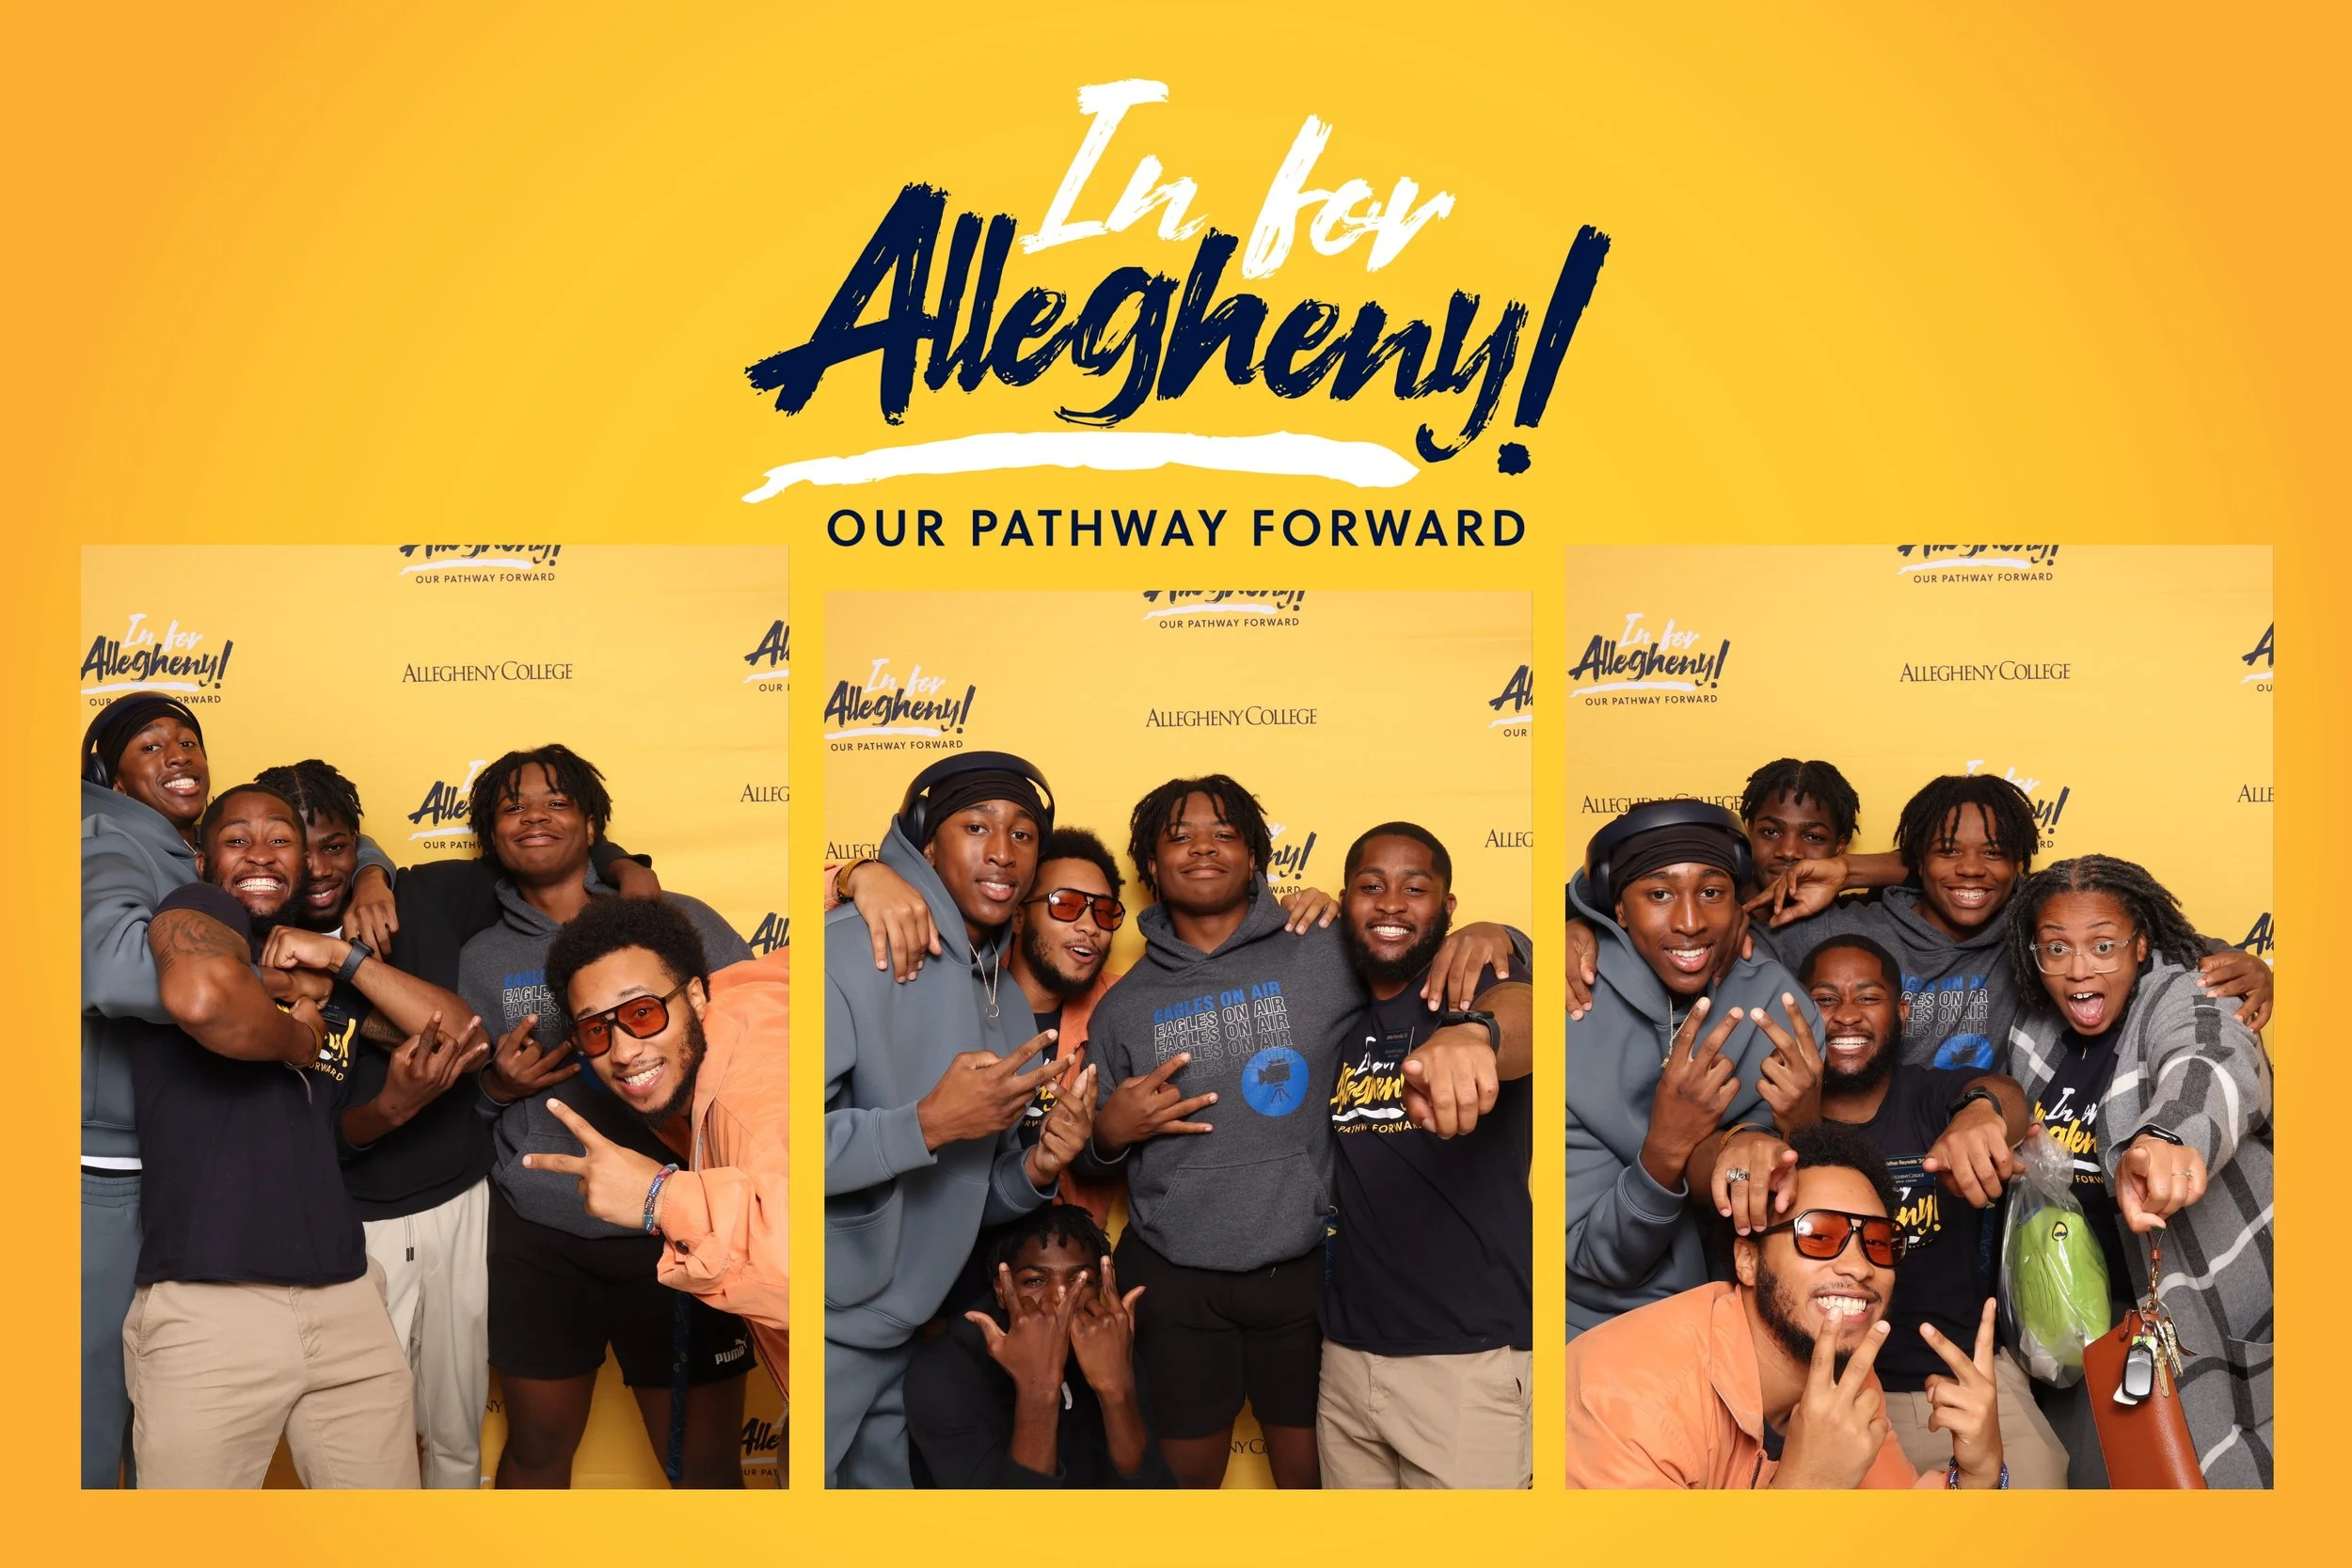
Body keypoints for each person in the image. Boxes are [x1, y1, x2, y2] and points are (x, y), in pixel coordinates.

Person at [1086, 775, 1517, 1489]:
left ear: (1255, 855)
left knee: (1321, 1488)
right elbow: (1094, 1154)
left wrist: (1494, 932)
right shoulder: (1123, 1006)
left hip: (1304, 1275)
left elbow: (1415, 944)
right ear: (1150, 867)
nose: (1203, 848)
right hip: (1175, 1275)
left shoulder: (1320, 945)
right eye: (1180, 836)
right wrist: (1112, 1129)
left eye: (1224, 833)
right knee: (1178, 1489)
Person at [457, 745, 758, 1488]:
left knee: (705, 1468)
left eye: (557, 801)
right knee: (536, 1452)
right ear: (492, 835)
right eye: (512, 805)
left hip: (676, 1218)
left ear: (593, 826)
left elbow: (757, 1034)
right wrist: (497, 1084)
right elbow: (464, 1096)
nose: (534, 815)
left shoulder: (672, 919)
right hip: (542, 1232)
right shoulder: (481, 955)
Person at [126, 785, 425, 1487]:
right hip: (212, 1310)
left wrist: (342, 960)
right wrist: (297, 1035)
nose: (260, 854)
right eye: (236, 840)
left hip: (348, 1301)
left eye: (280, 839)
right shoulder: (198, 910)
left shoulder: (316, 967)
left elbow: (459, 1038)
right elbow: (201, 996)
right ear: (201, 857)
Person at [825, 752, 1095, 1489]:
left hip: (911, 1329)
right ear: (924, 841)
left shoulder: (1003, 1000)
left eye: (1022, 833)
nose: (1003, 851)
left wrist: (1038, 1169)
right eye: (976, 826)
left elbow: (973, 1192)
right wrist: (929, 1123)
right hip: (826, 1324)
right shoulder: (852, 949)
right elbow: (781, 1155)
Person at [1712, 934, 2070, 1485]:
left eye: (1868, 997)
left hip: (1958, 1377)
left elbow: (2004, 1092)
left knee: (2036, 1503)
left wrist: (1983, 1113)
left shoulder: (1931, 1095)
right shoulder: (1773, 1113)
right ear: (1803, 1011)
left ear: (1901, 1011)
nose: (1847, 1016)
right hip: (1824, 1393)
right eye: (1825, 1000)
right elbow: (1719, 1170)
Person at [254, 758, 501, 1487]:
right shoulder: (254, 944)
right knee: (366, 1446)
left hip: (458, 1197)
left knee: (457, 1431)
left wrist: (351, 945)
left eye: (340, 846)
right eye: (306, 850)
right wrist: (393, 1107)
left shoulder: (419, 892)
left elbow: (551, 858)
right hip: (349, 1220)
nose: (323, 867)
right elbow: (298, 1138)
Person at [2005, 855, 2274, 1488]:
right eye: (2056, 948)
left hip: (2199, 1303)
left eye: (2104, 945)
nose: (2078, 968)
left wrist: (2168, 1138)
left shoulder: (2185, 991)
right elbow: (1954, 886)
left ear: (2142, 942)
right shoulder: (2031, 1025)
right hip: (2078, 1325)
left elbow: (2209, 1056)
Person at [1565, 1122, 2009, 1489]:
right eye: (1818, 1234)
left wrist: (1979, 1473)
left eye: (1878, 1242)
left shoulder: (1842, 1369)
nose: (1859, 1266)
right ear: (1748, 1261)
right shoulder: (1628, 1403)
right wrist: (1805, 1490)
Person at [1737, 774, 2276, 1067]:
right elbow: (1738, 957)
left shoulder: (2034, 926)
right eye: (1947, 852)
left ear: (2019, 865)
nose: (1971, 869)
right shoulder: (1843, 929)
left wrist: (2245, 964)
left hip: (1989, 1152)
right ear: (1917, 862)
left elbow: (2135, 929)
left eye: (1994, 854)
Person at [1319, 823, 1534, 1488]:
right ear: (1345, 902)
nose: (1391, 903)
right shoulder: (1332, 1013)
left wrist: (1477, 1035)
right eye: (1370, 886)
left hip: (1466, 1365)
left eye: (1416, 888)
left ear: (1448, 909)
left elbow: (1527, 1011)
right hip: (1345, 1363)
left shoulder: (1474, 988)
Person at [1565, 800, 1823, 1339]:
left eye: (1712, 892)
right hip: (1602, 1342)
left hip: (1745, 1343)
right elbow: (1597, 1261)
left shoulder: (1780, 1004)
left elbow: (1804, 1212)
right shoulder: (1572, 1010)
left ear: (1737, 904)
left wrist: (1794, 1127)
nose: (1689, 921)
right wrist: (1666, 1146)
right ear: (1618, 909)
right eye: (1659, 894)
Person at [527, 896, 789, 1402]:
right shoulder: (737, 1001)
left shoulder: (751, 1103)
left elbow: (815, 1275)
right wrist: (850, 875)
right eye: (597, 1030)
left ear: (694, 997)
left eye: (642, 1013)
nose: (623, 1052)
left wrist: (658, 1198)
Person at [904, 1203, 1174, 1488]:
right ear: (1001, 1290)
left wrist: (1117, 1390)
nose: (1060, 1299)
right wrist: (1039, 1387)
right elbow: (1010, 1527)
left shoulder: (1112, 1347)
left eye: (1081, 1280)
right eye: (1034, 1280)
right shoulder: (942, 1375)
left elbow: (1150, 1497)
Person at [1738, 758, 1860, 896]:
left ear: (1839, 847)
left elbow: (1891, 868)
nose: (1788, 852)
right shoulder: (1716, 912)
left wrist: (1846, 870)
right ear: (1750, 831)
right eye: (1771, 832)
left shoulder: (1865, 915)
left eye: (1813, 837)